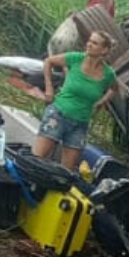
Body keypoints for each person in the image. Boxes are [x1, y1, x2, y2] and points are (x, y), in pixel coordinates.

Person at [33, 32, 118, 170]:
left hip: (80, 125)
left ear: (104, 50)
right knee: (36, 159)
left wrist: (102, 101)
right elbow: (49, 61)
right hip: (58, 115)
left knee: (66, 172)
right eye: (89, 41)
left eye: (94, 43)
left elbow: (114, 89)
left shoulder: (108, 74)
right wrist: (49, 88)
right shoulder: (75, 58)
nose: (89, 44)